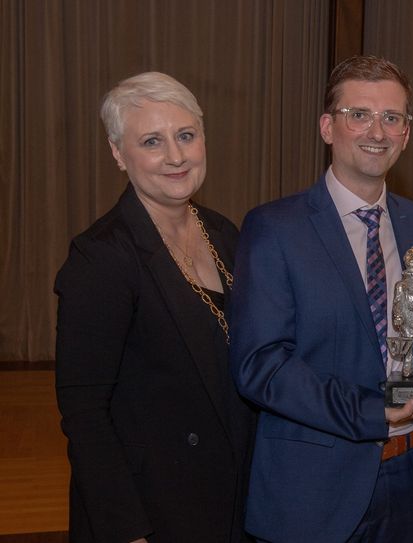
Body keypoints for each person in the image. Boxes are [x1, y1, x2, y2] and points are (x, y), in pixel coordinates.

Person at [229, 55, 413, 543]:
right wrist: (371, 411)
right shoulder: (274, 229)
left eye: (392, 118)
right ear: (328, 127)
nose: (377, 130)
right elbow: (260, 365)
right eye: (359, 114)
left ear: (406, 134)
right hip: (315, 494)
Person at [54, 72, 255, 542]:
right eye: (151, 141)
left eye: (186, 135)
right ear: (118, 154)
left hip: (231, 498)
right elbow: (85, 414)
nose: (176, 156)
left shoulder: (225, 233)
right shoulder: (100, 257)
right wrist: (128, 532)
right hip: (152, 509)